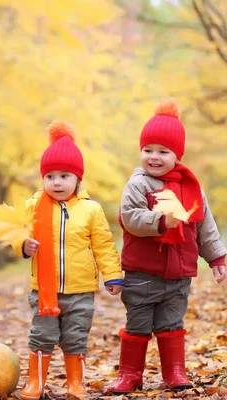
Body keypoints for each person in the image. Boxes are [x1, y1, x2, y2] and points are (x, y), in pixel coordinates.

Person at [108, 98, 227, 394]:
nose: (154, 157)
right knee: (138, 323)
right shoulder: (138, 185)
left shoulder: (191, 188)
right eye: (148, 150)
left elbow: (204, 227)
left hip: (178, 276)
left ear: (178, 156)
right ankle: (130, 373)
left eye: (163, 151)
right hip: (142, 274)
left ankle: (174, 371)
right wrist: (159, 220)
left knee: (171, 323)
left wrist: (217, 258)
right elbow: (130, 218)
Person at [8, 121, 124, 400]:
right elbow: (15, 231)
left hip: (80, 292)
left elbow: (104, 245)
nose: (56, 182)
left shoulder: (90, 210)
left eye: (64, 176)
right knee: (42, 337)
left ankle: (76, 384)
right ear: (43, 179)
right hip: (45, 291)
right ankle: (36, 382)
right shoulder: (34, 207)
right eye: (49, 176)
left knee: (75, 338)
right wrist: (23, 244)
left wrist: (112, 275)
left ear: (77, 179)